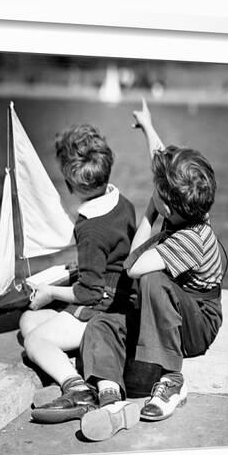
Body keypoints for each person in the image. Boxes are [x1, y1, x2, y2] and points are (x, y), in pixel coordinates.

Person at [79, 99, 224, 441]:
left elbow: (133, 266)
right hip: (168, 311)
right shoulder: (191, 206)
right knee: (103, 322)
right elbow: (164, 166)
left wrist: (148, 212)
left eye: (160, 196)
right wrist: (148, 126)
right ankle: (109, 393)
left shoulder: (190, 240)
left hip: (196, 324)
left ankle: (172, 380)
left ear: (168, 207)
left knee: (153, 280)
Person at [19, 124, 137, 424]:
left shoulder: (89, 227)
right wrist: (81, 270)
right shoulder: (122, 202)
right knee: (29, 320)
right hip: (120, 297)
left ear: (70, 184)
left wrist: (50, 291)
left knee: (34, 341)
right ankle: (70, 361)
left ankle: (77, 388)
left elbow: (89, 293)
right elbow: (115, 257)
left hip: (102, 310)